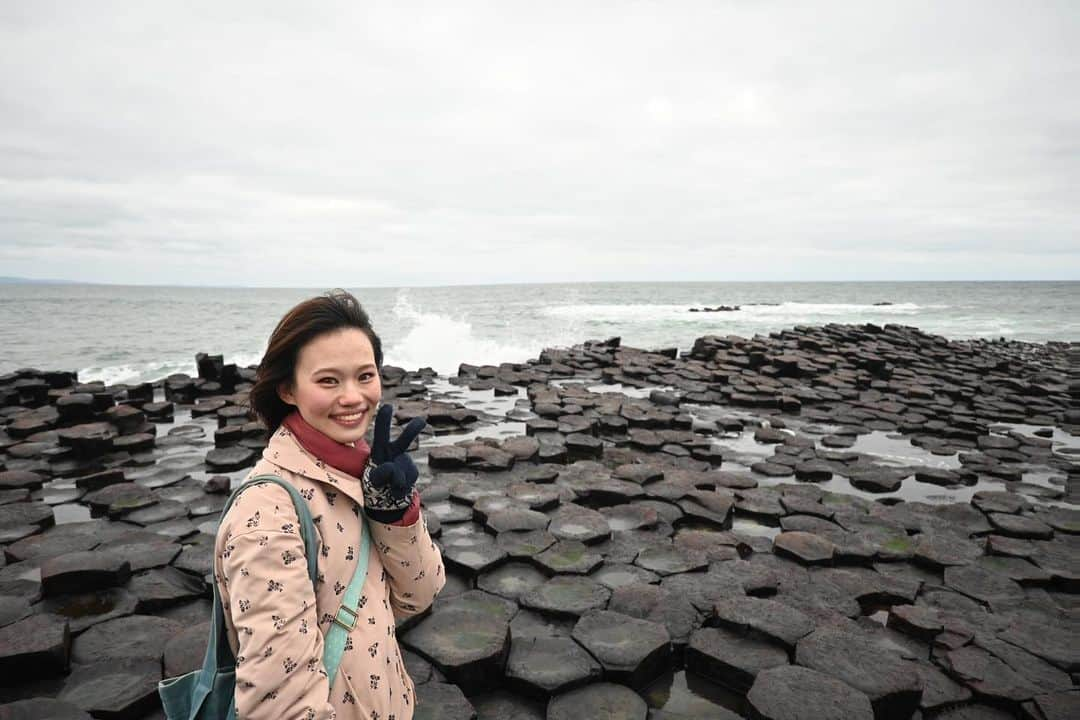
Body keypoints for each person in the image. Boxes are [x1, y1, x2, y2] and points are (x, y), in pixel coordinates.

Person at [214, 289, 445, 720]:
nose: (354, 397)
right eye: (328, 381)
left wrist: (393, 513)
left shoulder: (360, 476)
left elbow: (420, 594)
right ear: (287, 389)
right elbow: (279, 707)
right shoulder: (267, 513)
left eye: (365, 375)